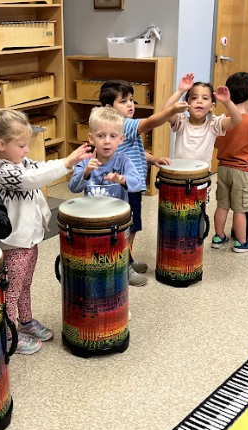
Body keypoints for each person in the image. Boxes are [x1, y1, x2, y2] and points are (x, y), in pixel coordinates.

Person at [0, 104, 91, 354]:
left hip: (28, 239)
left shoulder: (18, 160)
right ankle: (8, 335)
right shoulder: (0, 170)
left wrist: (65, 163)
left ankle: (25, 321)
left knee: (25, 284)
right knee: (11, 292)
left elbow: (38, 168)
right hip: (12, 243)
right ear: (0, 145)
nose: (27, 150)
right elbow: (31, 179)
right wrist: (68, 162)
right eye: (21, 145)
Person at [99, 80, 188, 285]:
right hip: (127, 189)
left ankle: (127, 260)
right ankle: (123, 267)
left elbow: (133, 153)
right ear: (109, 108)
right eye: (123, 101)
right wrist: (172, 109)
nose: (130, 104)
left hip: (131, 187)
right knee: (128, 228)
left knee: (132, 227)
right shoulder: (122, 125)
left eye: (131, 100)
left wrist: (153, 158)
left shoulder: (118, 127)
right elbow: (150, 122)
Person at [68, 107, 144, 287]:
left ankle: (126, 269)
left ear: (121, 139)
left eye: (112, 136)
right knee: (95, 254)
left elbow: (138, 183)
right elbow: (73, 187)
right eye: (101, 136)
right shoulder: (85, 161)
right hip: (93, 222)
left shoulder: (123, 160)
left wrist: (122, 179)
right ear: (91, 138)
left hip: (117, 221)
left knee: (119, 249)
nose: (107, 141)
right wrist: (86, 172)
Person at [212, 72, 248, 252]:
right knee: (240, 209)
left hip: (223, 169)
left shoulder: (223, 120)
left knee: (222, 205)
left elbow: (215, 143)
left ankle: (218, 236)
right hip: (243, 172)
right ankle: (242, 242)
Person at [163, 73, 242, 165]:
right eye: (194, 98)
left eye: (205, 98)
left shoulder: (213, 124)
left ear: (212, 106)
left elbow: (237, 120)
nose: (199, 101)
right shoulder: (181, 122)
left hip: (202, 176)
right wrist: (180, 91)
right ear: (187, 104)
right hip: (180, 173)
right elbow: (165, 113)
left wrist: (227, 102)